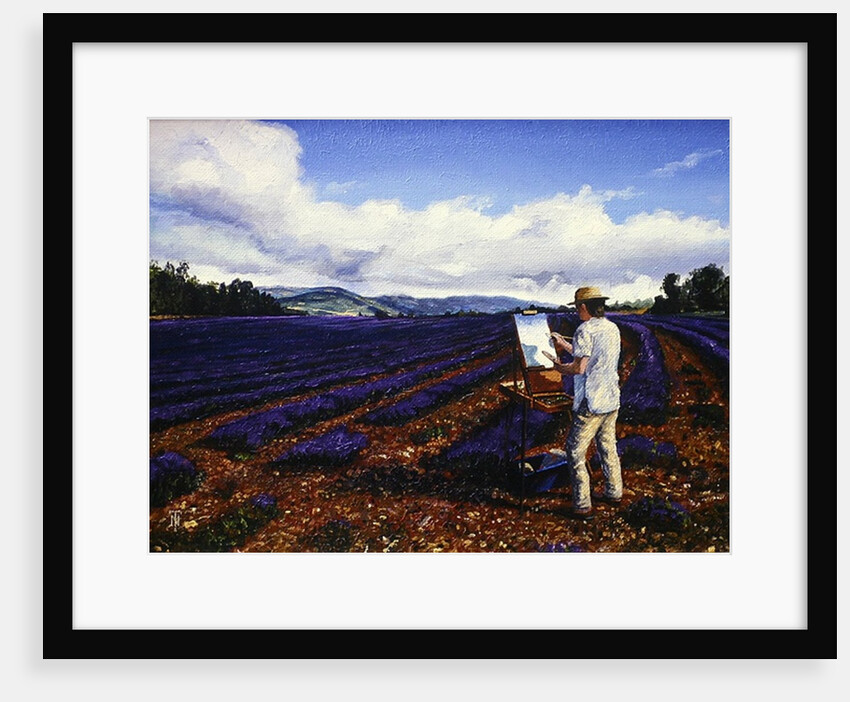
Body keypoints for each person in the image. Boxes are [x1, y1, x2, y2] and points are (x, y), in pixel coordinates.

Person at [542, 286, 623, 519]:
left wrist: (558, 368)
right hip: (610, 398)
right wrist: (563, 343)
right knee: (608, 446)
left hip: (591, 401)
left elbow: (579, 367)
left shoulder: (584, 330)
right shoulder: (612, 328)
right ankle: (614, 492)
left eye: (578, 307)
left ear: (584, 307)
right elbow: (589, 354)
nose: (577, 311)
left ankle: (582, 504)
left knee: (574, 452)